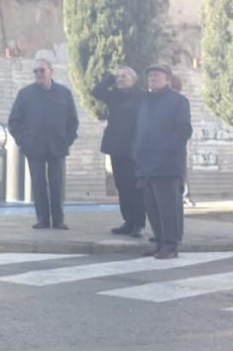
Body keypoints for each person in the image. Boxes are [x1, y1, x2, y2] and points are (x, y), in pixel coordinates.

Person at [8, 58, 79, 230]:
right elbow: (14, 121)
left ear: (51, 71)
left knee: (57, 184)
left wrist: (66, 141)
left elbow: (73, 121)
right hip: (34, 147)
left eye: (42, 70)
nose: (38, 74)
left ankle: (59, 220)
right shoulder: (25, 94)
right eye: (35, 71)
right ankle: (42, 219)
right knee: (38, 184)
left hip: (57, 147)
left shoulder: (64, 93)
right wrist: (23, 140)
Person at [133, 64, 192, 260]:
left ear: (167, 79)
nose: (152, 79)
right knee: (152, 207)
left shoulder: (178, 101)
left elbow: (184, 130)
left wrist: (166, 150)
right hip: (145, 164)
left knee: (168, 207)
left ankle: (170, 245)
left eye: (157, 76)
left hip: (167, 164)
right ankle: (159, 242)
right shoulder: (145, 102)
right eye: (150, 76)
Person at [93, 67, 145, 238]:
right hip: (116, 147)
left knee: (135, 187)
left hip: (134, 148)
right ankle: (128, 221)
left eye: (125, 76)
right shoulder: (113, 94)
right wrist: (110, 78)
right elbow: (96, 91)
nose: (121, 79)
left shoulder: (142, 96)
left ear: (134, 80)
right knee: (122, 186)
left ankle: (139, 223)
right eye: (119, 76)